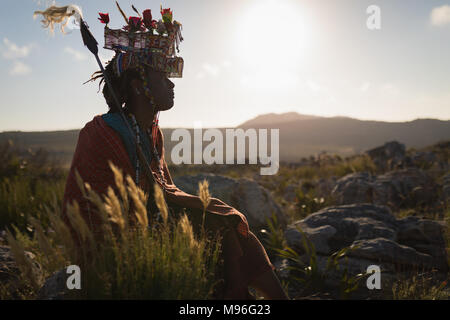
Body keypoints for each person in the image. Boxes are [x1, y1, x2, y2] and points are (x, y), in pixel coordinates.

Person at [61, 4, 288, 300]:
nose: (170, 82)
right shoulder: (100, 134)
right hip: (117, 246)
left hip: (154, 227)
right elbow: (87, 214)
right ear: (137, 84)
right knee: (217, 223)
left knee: (225, 223)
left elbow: (165, 192)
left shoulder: (151, 134)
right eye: (161, 74)